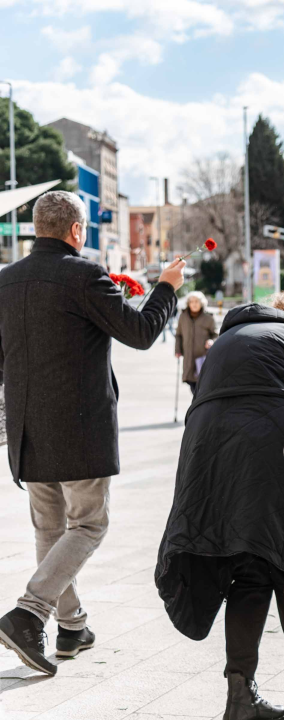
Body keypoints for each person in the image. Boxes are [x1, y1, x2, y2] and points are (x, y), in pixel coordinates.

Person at [0, 191, 184, 676]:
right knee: (88, 525)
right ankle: (29, 612)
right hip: (78, 428)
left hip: (26, 429)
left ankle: (71, 626)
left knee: (50, 529)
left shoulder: (6, 280)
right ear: (77, 230)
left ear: (37, 227)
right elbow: (141, 332)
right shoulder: (84, 276)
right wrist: (166, 288)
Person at [156, 292, 284, 720]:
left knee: (250, 569)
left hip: (207, 457)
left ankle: (240, 694)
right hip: (272, 449)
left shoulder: (227, 340)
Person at [175, 291, 218, 396]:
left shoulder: (208, 317)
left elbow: (215, 334)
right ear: (188, 303)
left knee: (202, 385)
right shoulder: (183, 316)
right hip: (188, 358)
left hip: (202, 358)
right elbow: (179, 335)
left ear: (201, 303)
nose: (194, 304)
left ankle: (199, 405)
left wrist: (211, 341)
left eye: (196, 301)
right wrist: (178, 350)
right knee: (192, 385)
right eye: (191, 302)